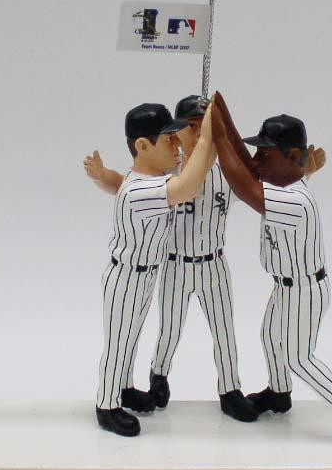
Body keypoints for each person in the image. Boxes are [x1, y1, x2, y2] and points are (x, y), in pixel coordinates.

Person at [210, 92, 332, 447]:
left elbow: (243, 184)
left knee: (299, 358)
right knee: (270, 336)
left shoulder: (295, 198)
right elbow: (248, 166)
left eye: (265, 154)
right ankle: (279, 393)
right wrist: (222, 112)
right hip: (284, 286)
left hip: (305, 289)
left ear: (294, 157)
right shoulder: (280, 180)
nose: (257, 160)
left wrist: (218, 135)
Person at [86, 95, 258, 422]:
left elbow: (254, 187)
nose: (185, 138)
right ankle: (112, 402)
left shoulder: (195, 173)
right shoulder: (162, 178)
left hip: (206, 263)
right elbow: (180, 186)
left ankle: (227, 389)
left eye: (202, 127)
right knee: (148, 334)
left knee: (221, 331)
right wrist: (207, 140)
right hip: (164, 266)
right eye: (181, 131)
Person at [88, 100, 214, 437]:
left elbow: (117, 181)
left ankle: (124, 388)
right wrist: (205, 140)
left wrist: (102, 176)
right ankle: (106, 405)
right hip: (127, 277)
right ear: (143, 146)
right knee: (119, 343)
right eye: (169, 140)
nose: (177, 147)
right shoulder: (143, 189)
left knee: (130, 338)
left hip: (143, 275)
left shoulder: (144, 178)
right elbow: (189, 186)